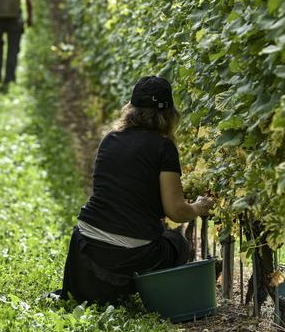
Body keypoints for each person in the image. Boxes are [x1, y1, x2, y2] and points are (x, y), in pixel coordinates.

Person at [57, 76, 215, 303]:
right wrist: (199, 206)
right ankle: (144, 292)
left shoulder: (110, 139)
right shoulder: (163, 147)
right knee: (177, 244)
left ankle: (107, 291)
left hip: (84, 250)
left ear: (131, 109)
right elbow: (176, 212)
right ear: (169, 114)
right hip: (129, 255)